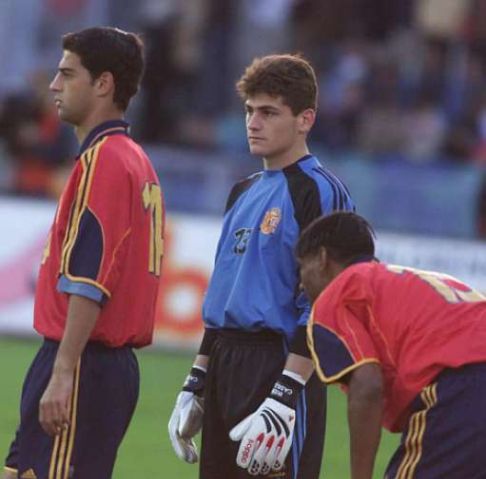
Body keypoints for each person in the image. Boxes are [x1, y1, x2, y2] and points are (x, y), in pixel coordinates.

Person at [168, 53, 355, 478]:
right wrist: (197, 377)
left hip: (281, 363)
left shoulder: (319, 191)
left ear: (305, 119)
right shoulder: (242, 191)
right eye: (249, 111)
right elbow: (225, 294)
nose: (253, 123)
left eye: (269, 112)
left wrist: (286, 392)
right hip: (226, 364)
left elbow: (326, 302)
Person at [3, 27, 164, 479]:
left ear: (103, 84)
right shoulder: (134, 158)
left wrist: (63, 371)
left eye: (67, 74)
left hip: (83, 361)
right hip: (93, 363)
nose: (54, 86)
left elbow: (90, 278)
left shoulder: (105, 160)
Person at [297, 211, 486, 479]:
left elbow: (367, 385)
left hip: (461, 387)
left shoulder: (338, 292)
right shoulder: (404, 280)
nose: (301, 285)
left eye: (301, 268)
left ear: (322, 259)